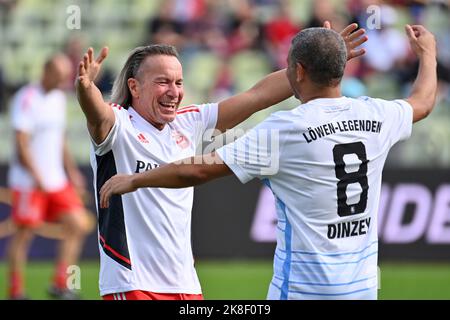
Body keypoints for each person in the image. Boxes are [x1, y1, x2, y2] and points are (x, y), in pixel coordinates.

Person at [99, 24, 437, 300]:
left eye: (289, 65)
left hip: (301, 290)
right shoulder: (376, 115)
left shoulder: (286, 131)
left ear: (299, 70)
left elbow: (201, 167)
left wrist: (136, 179)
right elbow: (422, 102)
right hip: (362, 290)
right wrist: (428, 54)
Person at [6, 54, 90, 300]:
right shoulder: (27, 98)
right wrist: (37, 177)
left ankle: (61, 283)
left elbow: (59, 138)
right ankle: (16, 290)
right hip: (28, 182)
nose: (64, 81)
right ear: (46, 71)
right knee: (24, 235)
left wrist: (71, 171)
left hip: (55, 180)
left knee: (77, 224)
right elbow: (21, 144)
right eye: (60, 75)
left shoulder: (58, 99)